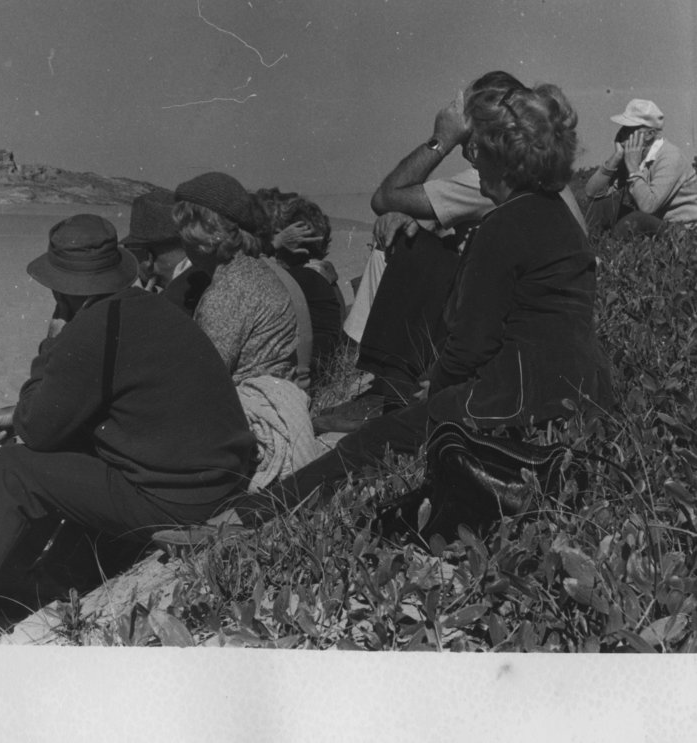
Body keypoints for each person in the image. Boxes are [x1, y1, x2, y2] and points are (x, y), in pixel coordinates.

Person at [236, 82, 614, 525]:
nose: (470, 159)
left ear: (502, 158)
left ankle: (254, 515)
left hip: (521, 397)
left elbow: (470, 346)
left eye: (476, 150)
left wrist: (435, 393)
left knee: (376, 438)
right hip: (585, 390)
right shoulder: (554, 214)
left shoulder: (503, 225)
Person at [0, 214, 254, 642]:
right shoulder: (146, 308)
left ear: (62, 286)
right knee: (54, 461)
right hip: (215, 482)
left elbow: (38, 433)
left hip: (178, 502)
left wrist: (53, 342)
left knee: (16, 467)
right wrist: (20, 413)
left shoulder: (91, 329)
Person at [330, 72, 587, 422]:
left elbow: (385, 197)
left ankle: (385, 390)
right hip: (539, 336)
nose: (471, 150)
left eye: (472, 127)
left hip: (507, 352)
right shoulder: (539, 186)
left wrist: (442, 139)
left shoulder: (501, 183)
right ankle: (381, 384)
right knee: (417, 238)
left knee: (404, 248)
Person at [173, 172, 299, 385]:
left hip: (244, 410)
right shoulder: (250, 271)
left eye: (184, 226)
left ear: (211, 232)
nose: (180, 236)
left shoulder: (228, 291)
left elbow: (202, 379)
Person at [252, 188, 346, 381]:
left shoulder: (296, 280)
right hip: (320, 374)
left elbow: (243, 275)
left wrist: (273, 243)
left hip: (304, 380)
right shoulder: (323, 274)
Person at [583, 99, 697, 237]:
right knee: (600, 207)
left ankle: (612, 250)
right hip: (656, 222)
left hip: (681, 230)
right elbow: (592, 193)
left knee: (636, 219)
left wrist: (633, 167)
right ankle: (585, 247)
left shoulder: (670, 157)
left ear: (649, 134)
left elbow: (648, 206)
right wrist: (616, 157)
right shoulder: (636, 155)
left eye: (628, 129)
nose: (621, 133)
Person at [122, 187, 210, 315]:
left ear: (148, 259)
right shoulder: (211, 273)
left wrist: (142, 309)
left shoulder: (175, 302)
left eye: (133, 253)